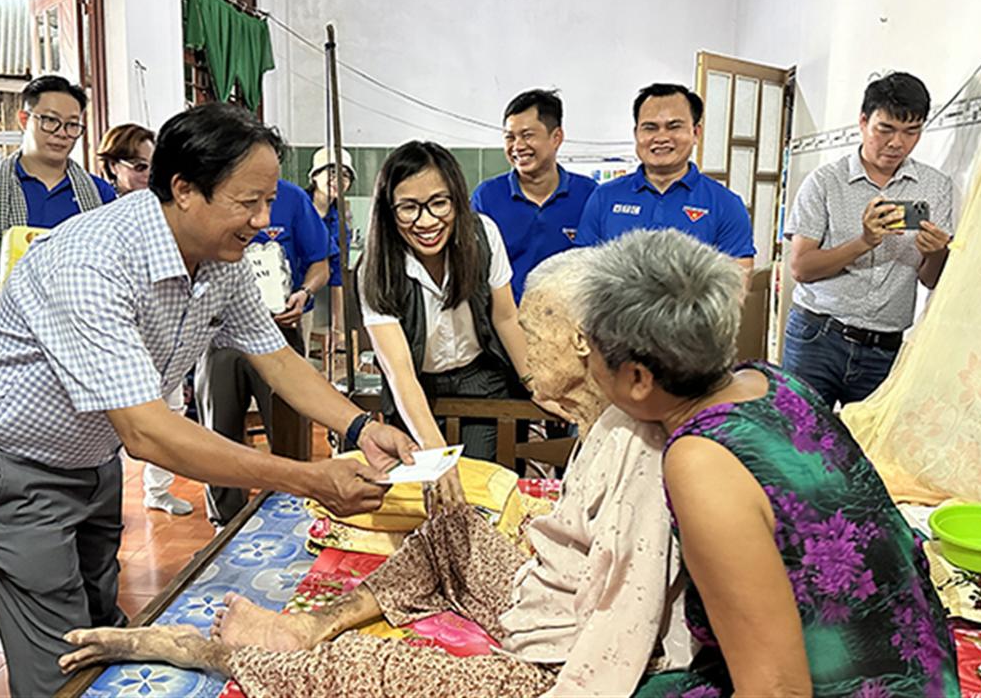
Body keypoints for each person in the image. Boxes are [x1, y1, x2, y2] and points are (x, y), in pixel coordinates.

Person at [0, 102, 417, 697]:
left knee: (106, 629)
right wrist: (310, 479)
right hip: (9, 470)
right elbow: (150, 434)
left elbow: (277, 357)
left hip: (89, 459)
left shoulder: (219, 256)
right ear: (184, 189)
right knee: (62, 660)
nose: (264, 220)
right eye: (249, 202)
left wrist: (358, 427)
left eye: (269, 201)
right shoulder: (92, 261)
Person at [58, 247, 693, 697]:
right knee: (458, 531)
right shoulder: (598, 419)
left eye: (534, 325)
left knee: (376, 670)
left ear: (582, 341)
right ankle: (311, 625)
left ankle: (214, 654)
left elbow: (623, 626)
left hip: (563, 663)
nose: (520, 335)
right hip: (550, 607)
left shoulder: (639, 451)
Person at [577, 229, 958, 697]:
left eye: (588, 348)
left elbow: (777, 689)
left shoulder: (700, 460)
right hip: (921, 662)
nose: (586, 363)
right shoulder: (769, 379)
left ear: (638, 377)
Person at [783, 72, 954, 408]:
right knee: (798, 441)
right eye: (885, 129)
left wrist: (937, 252)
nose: (897, 143)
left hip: (885, 348)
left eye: (912, 131)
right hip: (817, 337)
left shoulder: (936, 187)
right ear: (863, 121)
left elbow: (931, 279)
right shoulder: (825, 182)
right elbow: (801, 269)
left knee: (866, 451)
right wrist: (863, 241)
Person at [358, 141, 533, 464]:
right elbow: (399, 373)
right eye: (408, 208)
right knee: (426, 482)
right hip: (416, 385)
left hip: (481, 378)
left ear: (457, 199)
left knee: (482, 477)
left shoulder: (483, 236)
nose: (426, 222)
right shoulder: (377, 266)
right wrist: (437, 456)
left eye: (439, 203)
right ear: (388, 209)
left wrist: (536, 385)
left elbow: (506, 318)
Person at [194, 175, 333, 525]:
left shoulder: (293, 199)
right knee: (218, 431)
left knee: (288, 426)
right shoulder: (205, 195)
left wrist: (304, 292)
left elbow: (321, 263)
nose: (261, 216)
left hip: (279, 331)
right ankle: (225, 523)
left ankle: (293, 516)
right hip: (217, 334)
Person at [0, 75, 117, 308]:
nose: (61, 133)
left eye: (72, 124)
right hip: (9, 326)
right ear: (24, 119)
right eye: (50, 120)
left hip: (82, 325)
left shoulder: (100, 195)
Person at [98, 122, 195, 516]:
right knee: (112, 426)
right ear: (112, 168)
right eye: (137, 166)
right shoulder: (100, 218)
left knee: (170, 414)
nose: (146, 176)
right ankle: (107, 502)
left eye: (152, 167)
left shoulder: (170, 219)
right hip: (111, 340)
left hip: (161, 338)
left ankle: (158, 490)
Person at [575, 83, 755, 273]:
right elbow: (582, 272)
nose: (661, 137)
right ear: (636, 134)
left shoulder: (726, 204)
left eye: (673, 126)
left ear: (696, 133)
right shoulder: (604, 197)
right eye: (650, 128)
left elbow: (736, 284)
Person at [471, 89, 597, 304]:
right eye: (510, 137)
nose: (517, 147)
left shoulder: (590, 195)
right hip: (503, 325)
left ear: (556, 137)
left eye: (527, 135)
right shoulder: (487, 197)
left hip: (568, 327)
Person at [305, 146, 353, 350]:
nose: (339, 180)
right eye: (332, 172)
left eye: (346, 175)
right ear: (315, 176)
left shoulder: (340, 223)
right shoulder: (298, 209)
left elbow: (338, 277)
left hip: (304, 301)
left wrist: (338, 328)